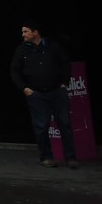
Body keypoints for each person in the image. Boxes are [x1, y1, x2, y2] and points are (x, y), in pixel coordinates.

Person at [10, 20, 77, 168]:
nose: (23, 34)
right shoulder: (21, 50)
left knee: (64, 124)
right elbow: (14, 70)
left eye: (26, 31)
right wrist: (24, 88)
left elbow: (65, 63)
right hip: (37, 94)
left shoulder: (52, 46)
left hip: (56, 91)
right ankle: (46, 157)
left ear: (35, 32)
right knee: (41, 126)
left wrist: (64, 83)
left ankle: (71, 157)